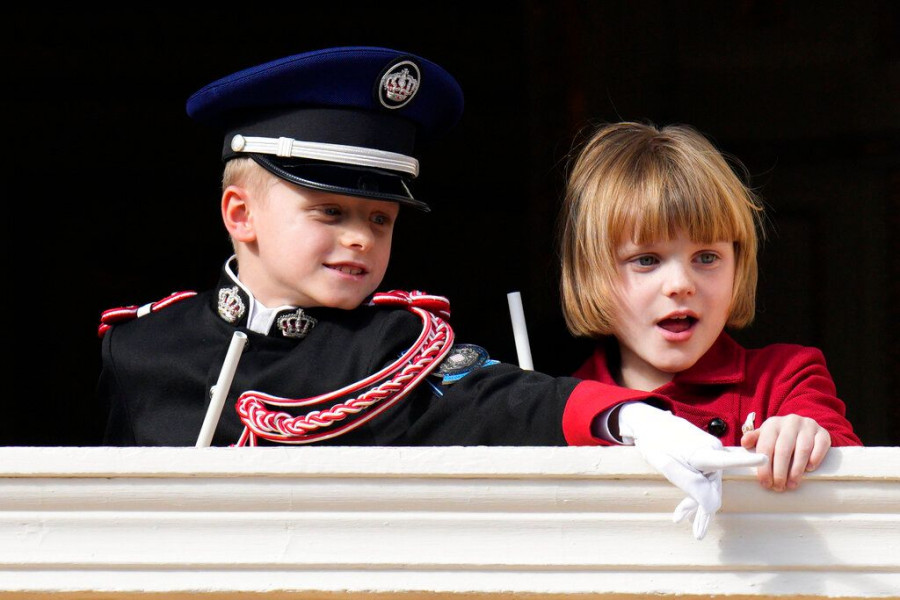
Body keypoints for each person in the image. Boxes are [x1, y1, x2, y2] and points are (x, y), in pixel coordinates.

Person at [97, 47, 763, 539]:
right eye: (331, 212)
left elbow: (505, 401)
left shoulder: (394, 350)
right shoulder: (141, 346)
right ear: (240, 216)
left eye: (380, 220)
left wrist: (630, 418)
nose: (361, 238)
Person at [557, 120, 862, 529]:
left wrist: (806, 433)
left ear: (739, 266)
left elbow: (858, 485)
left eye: (706, 257)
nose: (681, 285)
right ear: (591, 275)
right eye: (646, 260)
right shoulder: (564, 405)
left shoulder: (785, 378)